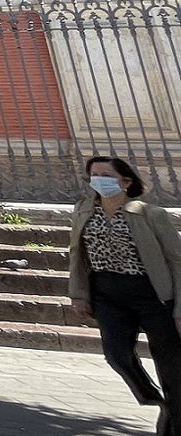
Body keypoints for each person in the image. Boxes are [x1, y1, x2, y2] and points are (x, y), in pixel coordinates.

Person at [69, 156, 181, 436]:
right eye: (94, 175)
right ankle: (154, 399)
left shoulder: (150, 214)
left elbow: (177, 260)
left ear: (126, 182)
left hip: (152, 293)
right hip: (106, 293)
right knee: (116, 354)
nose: (99, 180)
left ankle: (175, 422)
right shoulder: (83, 210)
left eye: (107, 175)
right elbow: (77, 255)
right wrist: (78, 294)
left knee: (171, 365)